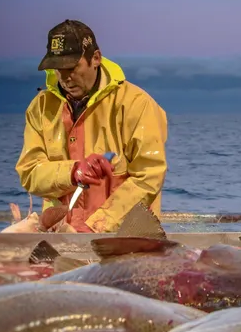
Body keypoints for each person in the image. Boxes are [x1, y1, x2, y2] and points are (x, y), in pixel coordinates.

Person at [15, 19, 168, 233]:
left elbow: (149, 176)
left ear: (95, 58)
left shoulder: (137, 104)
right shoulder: (40, 108)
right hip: (61, 239)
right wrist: (72, 172)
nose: (65, 77)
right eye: (57, 68)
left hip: (124, 243)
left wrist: (98, 225)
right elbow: (30, 172)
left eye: (72, 67)